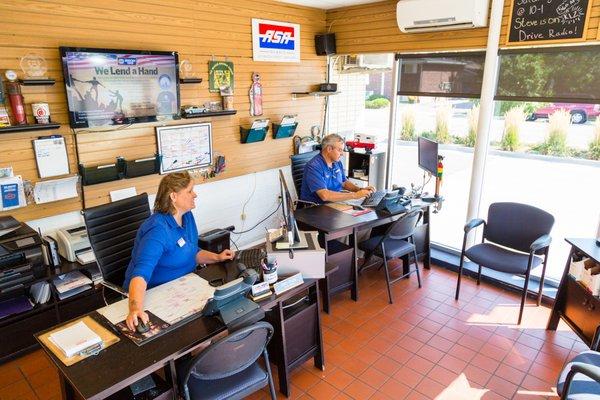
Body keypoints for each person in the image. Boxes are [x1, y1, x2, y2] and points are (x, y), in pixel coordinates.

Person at [123, 171, 234, 331]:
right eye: (189, 191)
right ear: (173, 196)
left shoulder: (187, 216)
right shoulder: (157, 230)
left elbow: (191, 251)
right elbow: (140, 274)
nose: (194, 195)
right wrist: (135, 309)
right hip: (155, 294)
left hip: (183, 287)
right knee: (204, 331)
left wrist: (217, 257)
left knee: (221, 317)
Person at [299, 134, 375, 204]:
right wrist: (355, 195)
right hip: (316, 207)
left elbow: (344, 182)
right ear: (329, 149)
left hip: (334, 202)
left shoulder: (336, 162)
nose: (342, 154)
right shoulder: (313, 166)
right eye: (340, 150)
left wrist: (359, 190)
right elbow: (325, 196)